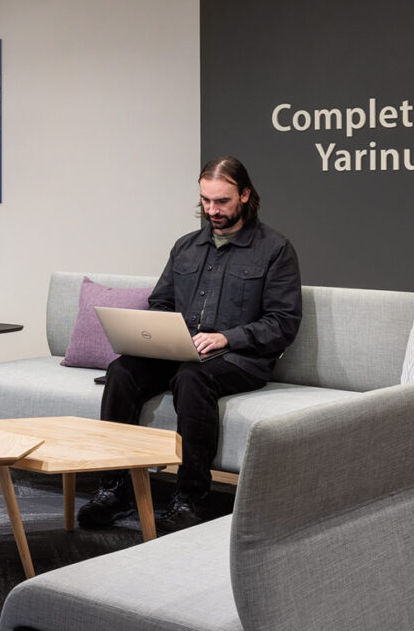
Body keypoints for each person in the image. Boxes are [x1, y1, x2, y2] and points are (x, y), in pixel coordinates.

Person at [78, 156, 302, 533]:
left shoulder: (275, 249)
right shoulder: (186, 247)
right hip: (182, 350)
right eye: (206, 201)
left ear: (245, 195)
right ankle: (114, 489)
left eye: (223, 202)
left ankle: (190, 498)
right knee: (122, 371)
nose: (212, 210)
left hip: (240, 358)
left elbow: (283, 323)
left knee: (192, 378)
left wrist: (225, 337)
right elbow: (162, 301)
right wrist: (160, 331)